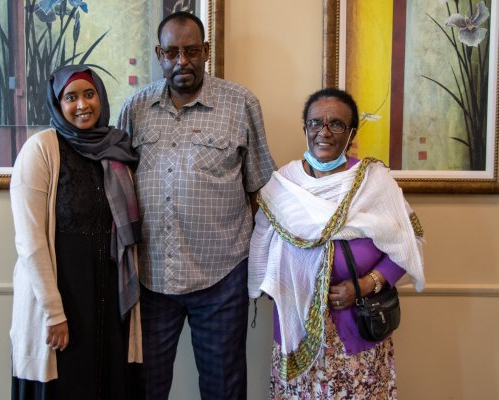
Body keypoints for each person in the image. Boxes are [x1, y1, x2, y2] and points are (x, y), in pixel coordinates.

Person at [117, 11, 276, 400]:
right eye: (172, 52)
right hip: (151, 278)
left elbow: (261, 191)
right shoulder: (134, 110)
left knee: (224, 389)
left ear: (205, 51)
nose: (182, 61)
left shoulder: (241, 104)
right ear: (159, 54)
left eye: (191, 51)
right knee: (144, 388)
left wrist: (261, 268)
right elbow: (116, 189)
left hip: (221, 278)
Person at [248, 88, 425, 399]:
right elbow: (261, 239)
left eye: (336, 124)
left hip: (357, 334)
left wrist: (364, 285)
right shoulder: (282, 185)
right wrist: (277, 287)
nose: (324, 132)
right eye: (315, 123)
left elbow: (407, 244)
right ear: (304, 129)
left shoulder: (374, 182)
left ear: (351, 132)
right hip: (295, 333)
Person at [9, 64, 142, 400]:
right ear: (57, 103)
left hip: (108, 300)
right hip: (61, 300)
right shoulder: (41, 150)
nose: (82, 105)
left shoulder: (116, 152)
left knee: (105, 385)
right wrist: (53, 313)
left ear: (100, 97)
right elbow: (30, 241)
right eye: (71, 97)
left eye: (89, 94)